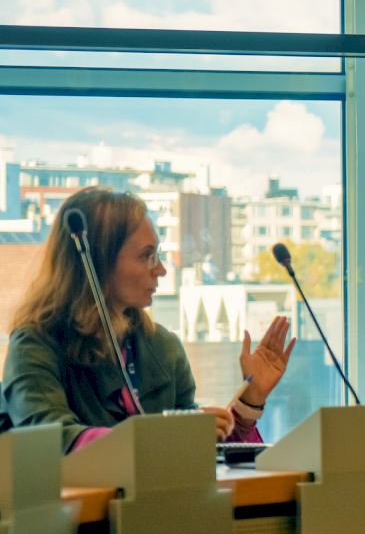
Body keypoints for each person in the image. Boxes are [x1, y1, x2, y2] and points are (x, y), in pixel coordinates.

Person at [0, 187, 296, 453]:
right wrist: (168, 436)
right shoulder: (35, 346)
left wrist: (250, 400)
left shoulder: (163, 346)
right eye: (146, 256)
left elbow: (199, 455)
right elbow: (50, 441)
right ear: (98, 261)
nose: (161, 270)